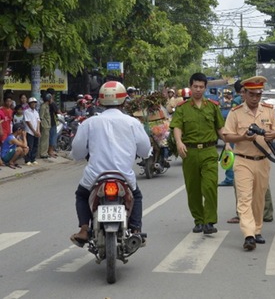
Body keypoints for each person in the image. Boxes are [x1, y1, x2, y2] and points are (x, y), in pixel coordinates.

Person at [69, 81, 152, 247]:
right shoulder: (133, 123)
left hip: (95, 176)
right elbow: (144, 151)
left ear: (100, 101)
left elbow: (77, 152)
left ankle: (84, 229)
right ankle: (135, 231)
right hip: (124, 176)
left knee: (81, 195)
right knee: (136, 196)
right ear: (124, 101)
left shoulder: (89, 123)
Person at [222, 76, 275, 251]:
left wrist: (274, 135)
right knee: (244, 198)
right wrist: (242, 137)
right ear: (244, 93)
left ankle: (256, 230)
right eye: (252, 94)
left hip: (263, 161)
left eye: (259, 94)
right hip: (243, 161)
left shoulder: (269, 110)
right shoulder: (236, 112)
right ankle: (248, 235)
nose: (256, 98)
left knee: (258, 199)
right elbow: (227, 135)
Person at [170, 73, 225, 235]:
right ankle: (199, 221)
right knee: (193, 188)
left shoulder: (212, 107)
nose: (198, 90)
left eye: (201, 87)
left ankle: (209, 221)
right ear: (190, 87)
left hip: (209, 151)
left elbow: (220, 128)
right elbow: (177, 127)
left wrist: (228, 143)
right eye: (195, 87)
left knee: (209, 186)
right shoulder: (182, 108)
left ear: (205, 88)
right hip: (190, 152)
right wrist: (179, 142)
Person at [23, 97, 40, 165]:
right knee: (29, 146)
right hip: (29, 131)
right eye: (32, 103)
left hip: (36, 131)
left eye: (34, 103)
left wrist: (38, 131)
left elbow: (38, 121)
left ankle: (33, 159)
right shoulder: (26, 111)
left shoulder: (36, 112)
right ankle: (27, 159)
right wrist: (34, 131)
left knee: (35, 145)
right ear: (29, 104)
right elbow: (28, 122)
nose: (33, 104)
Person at [38, 93, 52, 159]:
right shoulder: (43, 106)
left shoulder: (47, 106)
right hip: (44, 125)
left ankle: (45, 152)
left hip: (47, 125)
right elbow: (41, 117)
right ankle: (43, 153)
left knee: (46, 140)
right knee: (44, 140)